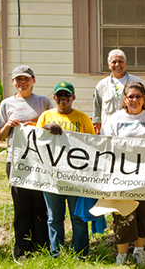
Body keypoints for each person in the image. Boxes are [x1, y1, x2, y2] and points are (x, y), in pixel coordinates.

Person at [102, 82, 145, 266]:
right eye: (130, 96)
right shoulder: (115, 119)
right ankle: (121, 255)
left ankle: (139, 251)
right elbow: (105, 145)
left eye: (138, 96)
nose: (134, 100)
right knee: (123, 215)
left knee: (144, 214)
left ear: (144, 99)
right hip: (122, 178)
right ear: (124, 99)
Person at [0, 65, 52, 258]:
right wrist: (7, 125)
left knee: (40, 204)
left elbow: (52, 127)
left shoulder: (43, 102)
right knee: (21, 207)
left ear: (33, 81)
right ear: (13, 82)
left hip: (40, 161)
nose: (22, 82)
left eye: (26, 79)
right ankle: (22, 249)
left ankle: (42, 246)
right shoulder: (6, 104)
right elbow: (1, 136)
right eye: (18, 79)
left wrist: (35, 123)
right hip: (16, 160)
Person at [37, 81, 95, 257]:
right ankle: (56, 253)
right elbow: (36, 141)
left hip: (75, 176)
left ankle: (82, 253)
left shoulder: (82, 118)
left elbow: (92, 144)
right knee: (54, 218)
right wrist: (46, 130)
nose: (63, 99)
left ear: (73, 97)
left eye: (67, 95)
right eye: (59, 95)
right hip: (52, 176)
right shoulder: (46, 116)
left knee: (77, 217)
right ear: (54, 97)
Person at [93, 49, 143, 134]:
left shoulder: (136, 82)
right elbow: (97, 112)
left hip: (131, 132)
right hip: (108, 133)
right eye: (114, 62)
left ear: (125, 64)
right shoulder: (101, 85)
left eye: (120, 61)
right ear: (109, 65)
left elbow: (144, 106)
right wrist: (98, 131)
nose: (117, 64)